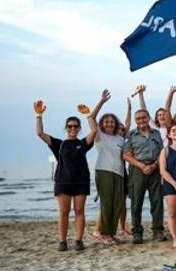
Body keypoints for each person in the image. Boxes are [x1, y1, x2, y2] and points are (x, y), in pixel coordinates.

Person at [34, 92, 106, 251]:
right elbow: (40, 133)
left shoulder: (83, 143)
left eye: (76, 126)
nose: (73, 128)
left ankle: (79, 240)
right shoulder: (59, 144)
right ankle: (62, 241)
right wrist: (38, 115)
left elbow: (94, 132)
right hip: (63, 182)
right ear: (66, 128)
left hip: (80, 181)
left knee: (79, 211)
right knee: (64, 212)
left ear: (79, 128)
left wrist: (88, 115)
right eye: (70, 126)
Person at [122, 109, 165, 244]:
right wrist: (142, 166)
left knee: (157, 201)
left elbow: (162, 152)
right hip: (137, 170)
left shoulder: (156, 133)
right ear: (136, 121)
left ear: (148, 118)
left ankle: (157, 231)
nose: (141, 120)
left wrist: (154, 165)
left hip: (155, 169)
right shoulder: (131, 135)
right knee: (136, 202)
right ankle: (137, 232)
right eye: (138, 118)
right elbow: (126, 155)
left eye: (144, 118)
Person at [91, 90, 128, 246]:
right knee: (106, 203)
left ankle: (111, 233)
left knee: (117, 204)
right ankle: (105, 234)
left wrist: (129, 109)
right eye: (106, 121)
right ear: (102, 124)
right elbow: (91, 117)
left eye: (112, 121)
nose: (109, 124)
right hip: (104, 171)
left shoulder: (120, 138)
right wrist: (101, 102)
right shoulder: (98, 135)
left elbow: (127, 125)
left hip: (118, 173)